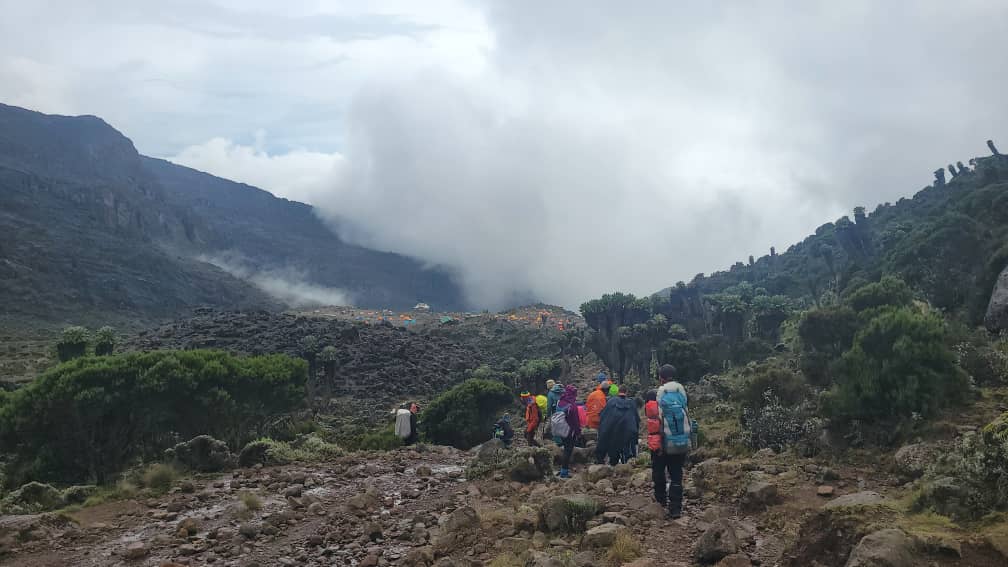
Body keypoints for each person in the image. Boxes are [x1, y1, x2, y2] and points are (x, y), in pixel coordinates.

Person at [653, 364, 692, 519]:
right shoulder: (680, 390)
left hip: (664, 440)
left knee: (659, 470)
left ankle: (661, 501)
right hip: (681, 439)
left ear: (661, 377)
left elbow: (656, 417)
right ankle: (675, 508)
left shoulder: (661, 392)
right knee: (676, 473)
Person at [595, 386, 639, 465]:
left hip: (612, 430)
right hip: (628, 430)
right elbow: (636, 419)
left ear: (618, 392)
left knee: (613, 448)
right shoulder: (632, 403)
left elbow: (603, 416)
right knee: (627, 448)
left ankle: (611, 463)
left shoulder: (611, 401)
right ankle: (627, 463)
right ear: (627, 392)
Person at [554, 385, 581, 478]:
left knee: (565, 449)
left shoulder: (560, 402)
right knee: (568, 451)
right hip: (569, 432)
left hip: (560, 430)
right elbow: (575, 422)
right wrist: (578, 432)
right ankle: (564, 472)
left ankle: (562, 469)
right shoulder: (572, 406)